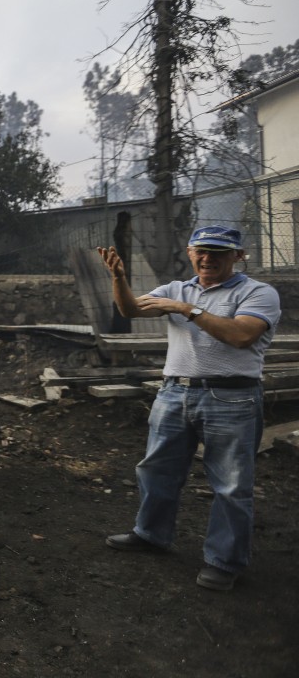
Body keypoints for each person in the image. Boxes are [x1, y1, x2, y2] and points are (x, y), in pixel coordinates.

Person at [96, 225, 281, 591]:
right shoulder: (175, 287)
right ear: (189, 252)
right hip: (174, 392)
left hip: (233, 397)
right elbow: (130, 308)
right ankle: (150, 535)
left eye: (218, 252)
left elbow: (241, 336)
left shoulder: (258, 292)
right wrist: (119, 278)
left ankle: (224, 561)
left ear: (238, 256)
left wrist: (186, 309)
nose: (207, 258)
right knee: (156, 470)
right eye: (201, 251)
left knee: (230, 485)